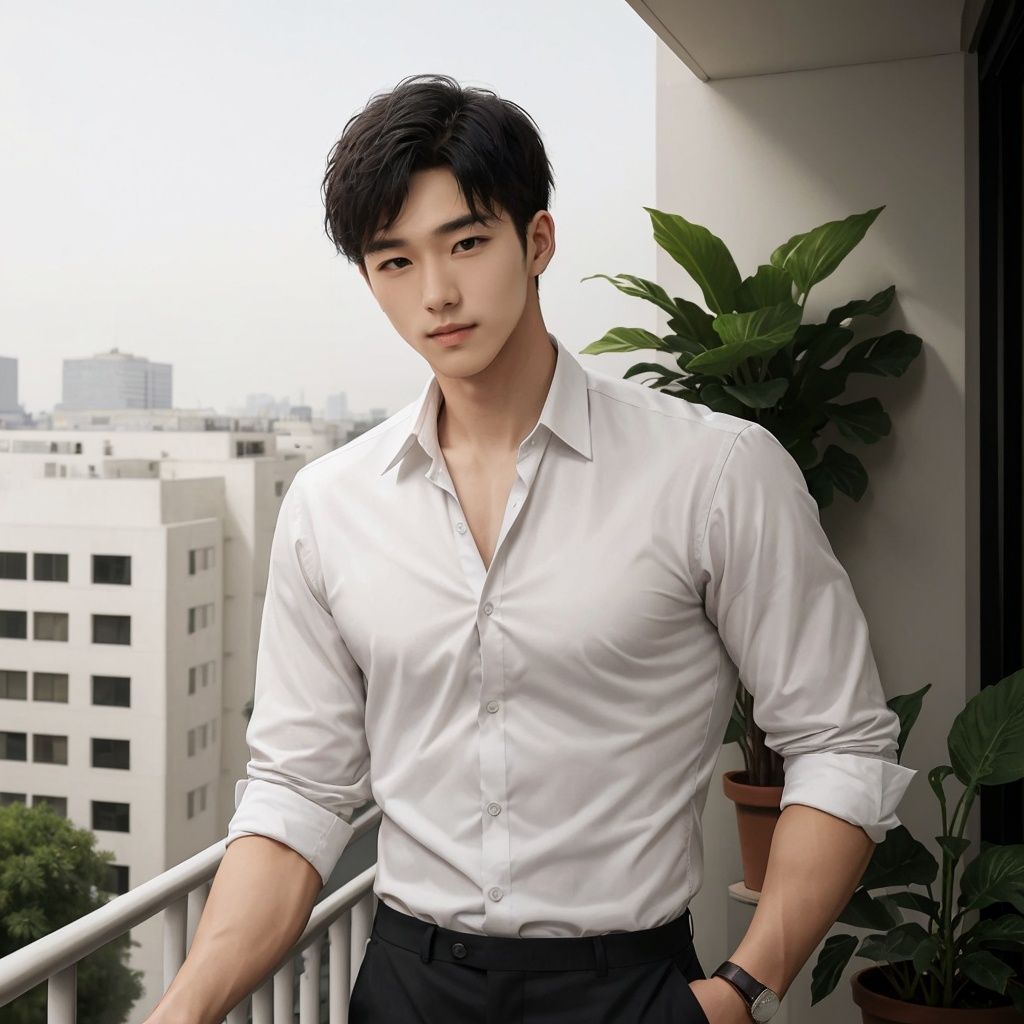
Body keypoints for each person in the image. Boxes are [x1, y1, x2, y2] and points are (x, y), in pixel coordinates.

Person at [145, 73, 916, 1024]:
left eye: (466, 242)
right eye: (395, 262)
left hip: (631, 988)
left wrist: (742, 990)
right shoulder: (327, 505)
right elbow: (297, 795)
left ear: (536, 240)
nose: (437, 293)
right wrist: (178, 1013)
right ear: (370, 281)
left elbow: (841, 740)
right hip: (405, 985)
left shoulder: (716, 471)